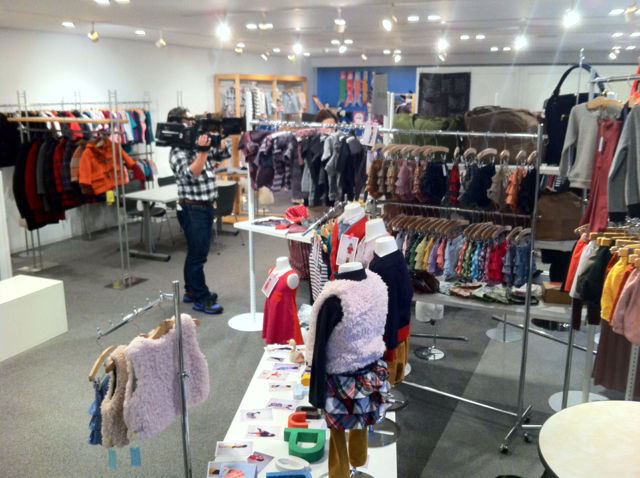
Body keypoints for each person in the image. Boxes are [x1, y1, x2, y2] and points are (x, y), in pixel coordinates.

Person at [167, 107, 223, 314]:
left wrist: (219, 135)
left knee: (196, 252)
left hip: (204, 207)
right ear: (178, 123)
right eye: (189, 120)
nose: (193, 123)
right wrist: (203, 151)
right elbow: (192, 174)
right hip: (192, 208)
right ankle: (200, 297)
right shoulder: (177, 151)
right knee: (198, 255)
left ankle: (191, 290)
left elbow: (222, 154)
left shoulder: (195, 146)